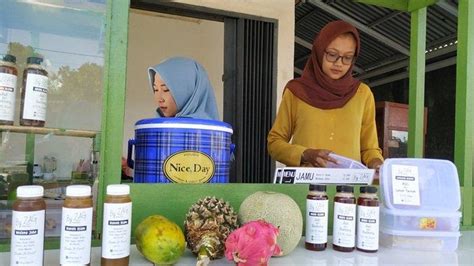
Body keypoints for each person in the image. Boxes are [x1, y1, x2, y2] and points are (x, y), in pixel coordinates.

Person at [267, 20, 383, 173]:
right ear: (319, 51)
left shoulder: (362, 94)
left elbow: (369, 148)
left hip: (347, 190)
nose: (339, 63)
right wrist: (304, 154)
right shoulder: (296, 91)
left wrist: (377, 163)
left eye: (347, 57)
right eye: (332, 55)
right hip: (305, 188)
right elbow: (274, 143)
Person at [147, 56, 220, 120]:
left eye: (165, 90)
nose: (160, 99)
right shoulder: (154, 127)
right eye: (156, 89)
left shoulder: (209, 131)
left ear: (189, 92)